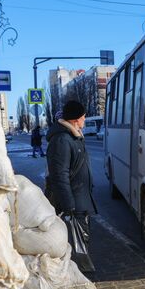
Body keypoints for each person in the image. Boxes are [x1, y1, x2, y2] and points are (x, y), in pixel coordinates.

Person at [45, 100, 97, 271]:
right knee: (74, 244)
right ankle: (76, 275)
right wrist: (69, 206)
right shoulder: (62, 140)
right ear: (75, 119)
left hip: (80, 200)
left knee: (82, 241)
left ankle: (79, 274)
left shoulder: (74, 135)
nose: (84, 120)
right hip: (73, 203)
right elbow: (60, 175)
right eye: (83, 117)